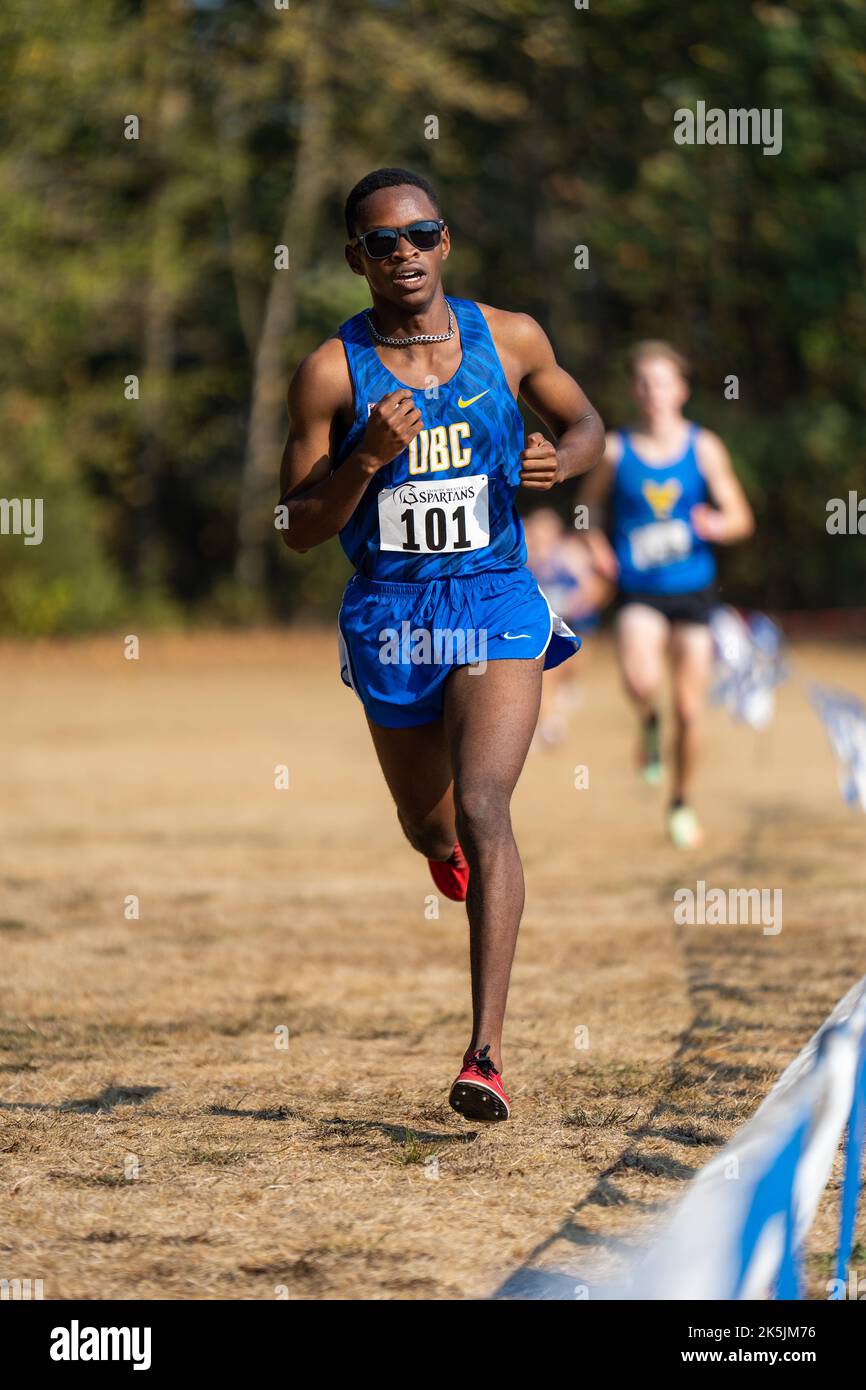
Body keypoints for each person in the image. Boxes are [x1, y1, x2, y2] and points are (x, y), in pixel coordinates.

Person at [278, 167, 604, 1120]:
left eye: (422, 234)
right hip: (392, 616)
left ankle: (486, 1056)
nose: (406, 252)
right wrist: (364, 459)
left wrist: (563, 457)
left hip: (497, 599)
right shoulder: (332, 372)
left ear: (445, 242)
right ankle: (444, 852)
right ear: (356, 260)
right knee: (433, 826)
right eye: (384, 242)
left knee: (487, 806)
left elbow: (584, 422)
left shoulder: (510, 337)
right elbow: (295, 526)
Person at [578, 340, 754, 848]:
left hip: (695, 593)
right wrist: (596, 546)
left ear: (681, 390)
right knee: (640, 679)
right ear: (636, 391)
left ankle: (681, 802)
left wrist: (717, 523)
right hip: (639, 591)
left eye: (663, 382)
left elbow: (743, 518)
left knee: (691, 709)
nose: (653, 392)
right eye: (644, 383)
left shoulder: (705, 448)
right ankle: (648, 722)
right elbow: (587, 510)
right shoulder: (615, 449)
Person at [523, 508, 613, 745]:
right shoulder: (524, 559)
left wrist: (580, 601)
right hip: (544, 626)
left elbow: (595, 587)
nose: (539, 538)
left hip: (576, 622)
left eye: (545, 532)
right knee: (547, 673)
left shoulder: (569, 555)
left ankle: (561, 698)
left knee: (571, 670)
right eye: (535, 532)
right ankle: (550, 725)